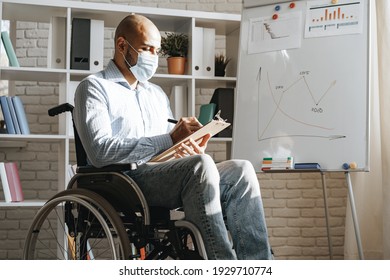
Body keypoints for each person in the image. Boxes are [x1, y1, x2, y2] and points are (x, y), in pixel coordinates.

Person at [73, 14, 272, 260]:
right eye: (146, 49)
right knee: (200, 167)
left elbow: (167, 148)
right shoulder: (93, 87)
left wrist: (188, 145)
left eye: (157, 51)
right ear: (122, 45)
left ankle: (260, 265)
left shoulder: (156, 94)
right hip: (124, 180)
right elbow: (99, 152)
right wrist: (171, 141)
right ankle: (222, 265)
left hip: (162, 173)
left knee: (240, 169)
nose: (153, 58)